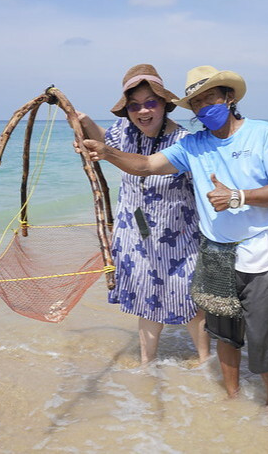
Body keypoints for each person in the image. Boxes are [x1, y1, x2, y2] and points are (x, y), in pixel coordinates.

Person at [82, 65, 268, 406]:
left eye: (210, 97)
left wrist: (237, 196)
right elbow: (145, 165)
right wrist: (106, 152)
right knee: (224, 335)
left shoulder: (262, 133)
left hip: (261, 254)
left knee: (262, 338)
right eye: (197, 102)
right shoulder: (193, 145)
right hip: (214, 252)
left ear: (229, 97)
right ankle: (231, 401)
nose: (204, 106)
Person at [77, 64, 210, 366]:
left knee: (190, 303)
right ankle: (147, 366)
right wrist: (85, 125)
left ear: (164, 103)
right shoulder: (124, 132)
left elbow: (146, 164)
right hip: (135, 237)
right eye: (135, 106)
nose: (143, 111)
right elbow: (106, 140)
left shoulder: (184, 142)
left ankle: (206, 364)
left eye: (151, 102)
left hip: (180, 240)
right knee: (146, 304)